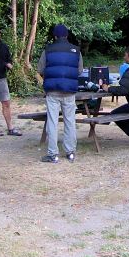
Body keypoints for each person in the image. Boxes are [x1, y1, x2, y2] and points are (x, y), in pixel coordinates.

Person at [37, 24, 83, 163]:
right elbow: (79, 70)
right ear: (67, 35)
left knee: (52, 121)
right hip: (69, 91)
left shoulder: (48, 50)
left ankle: (53, 154)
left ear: (55, 36)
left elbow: (40, 69)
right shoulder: (76, 50)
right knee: (70, 121)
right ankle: (70, 152)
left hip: (52, 91)